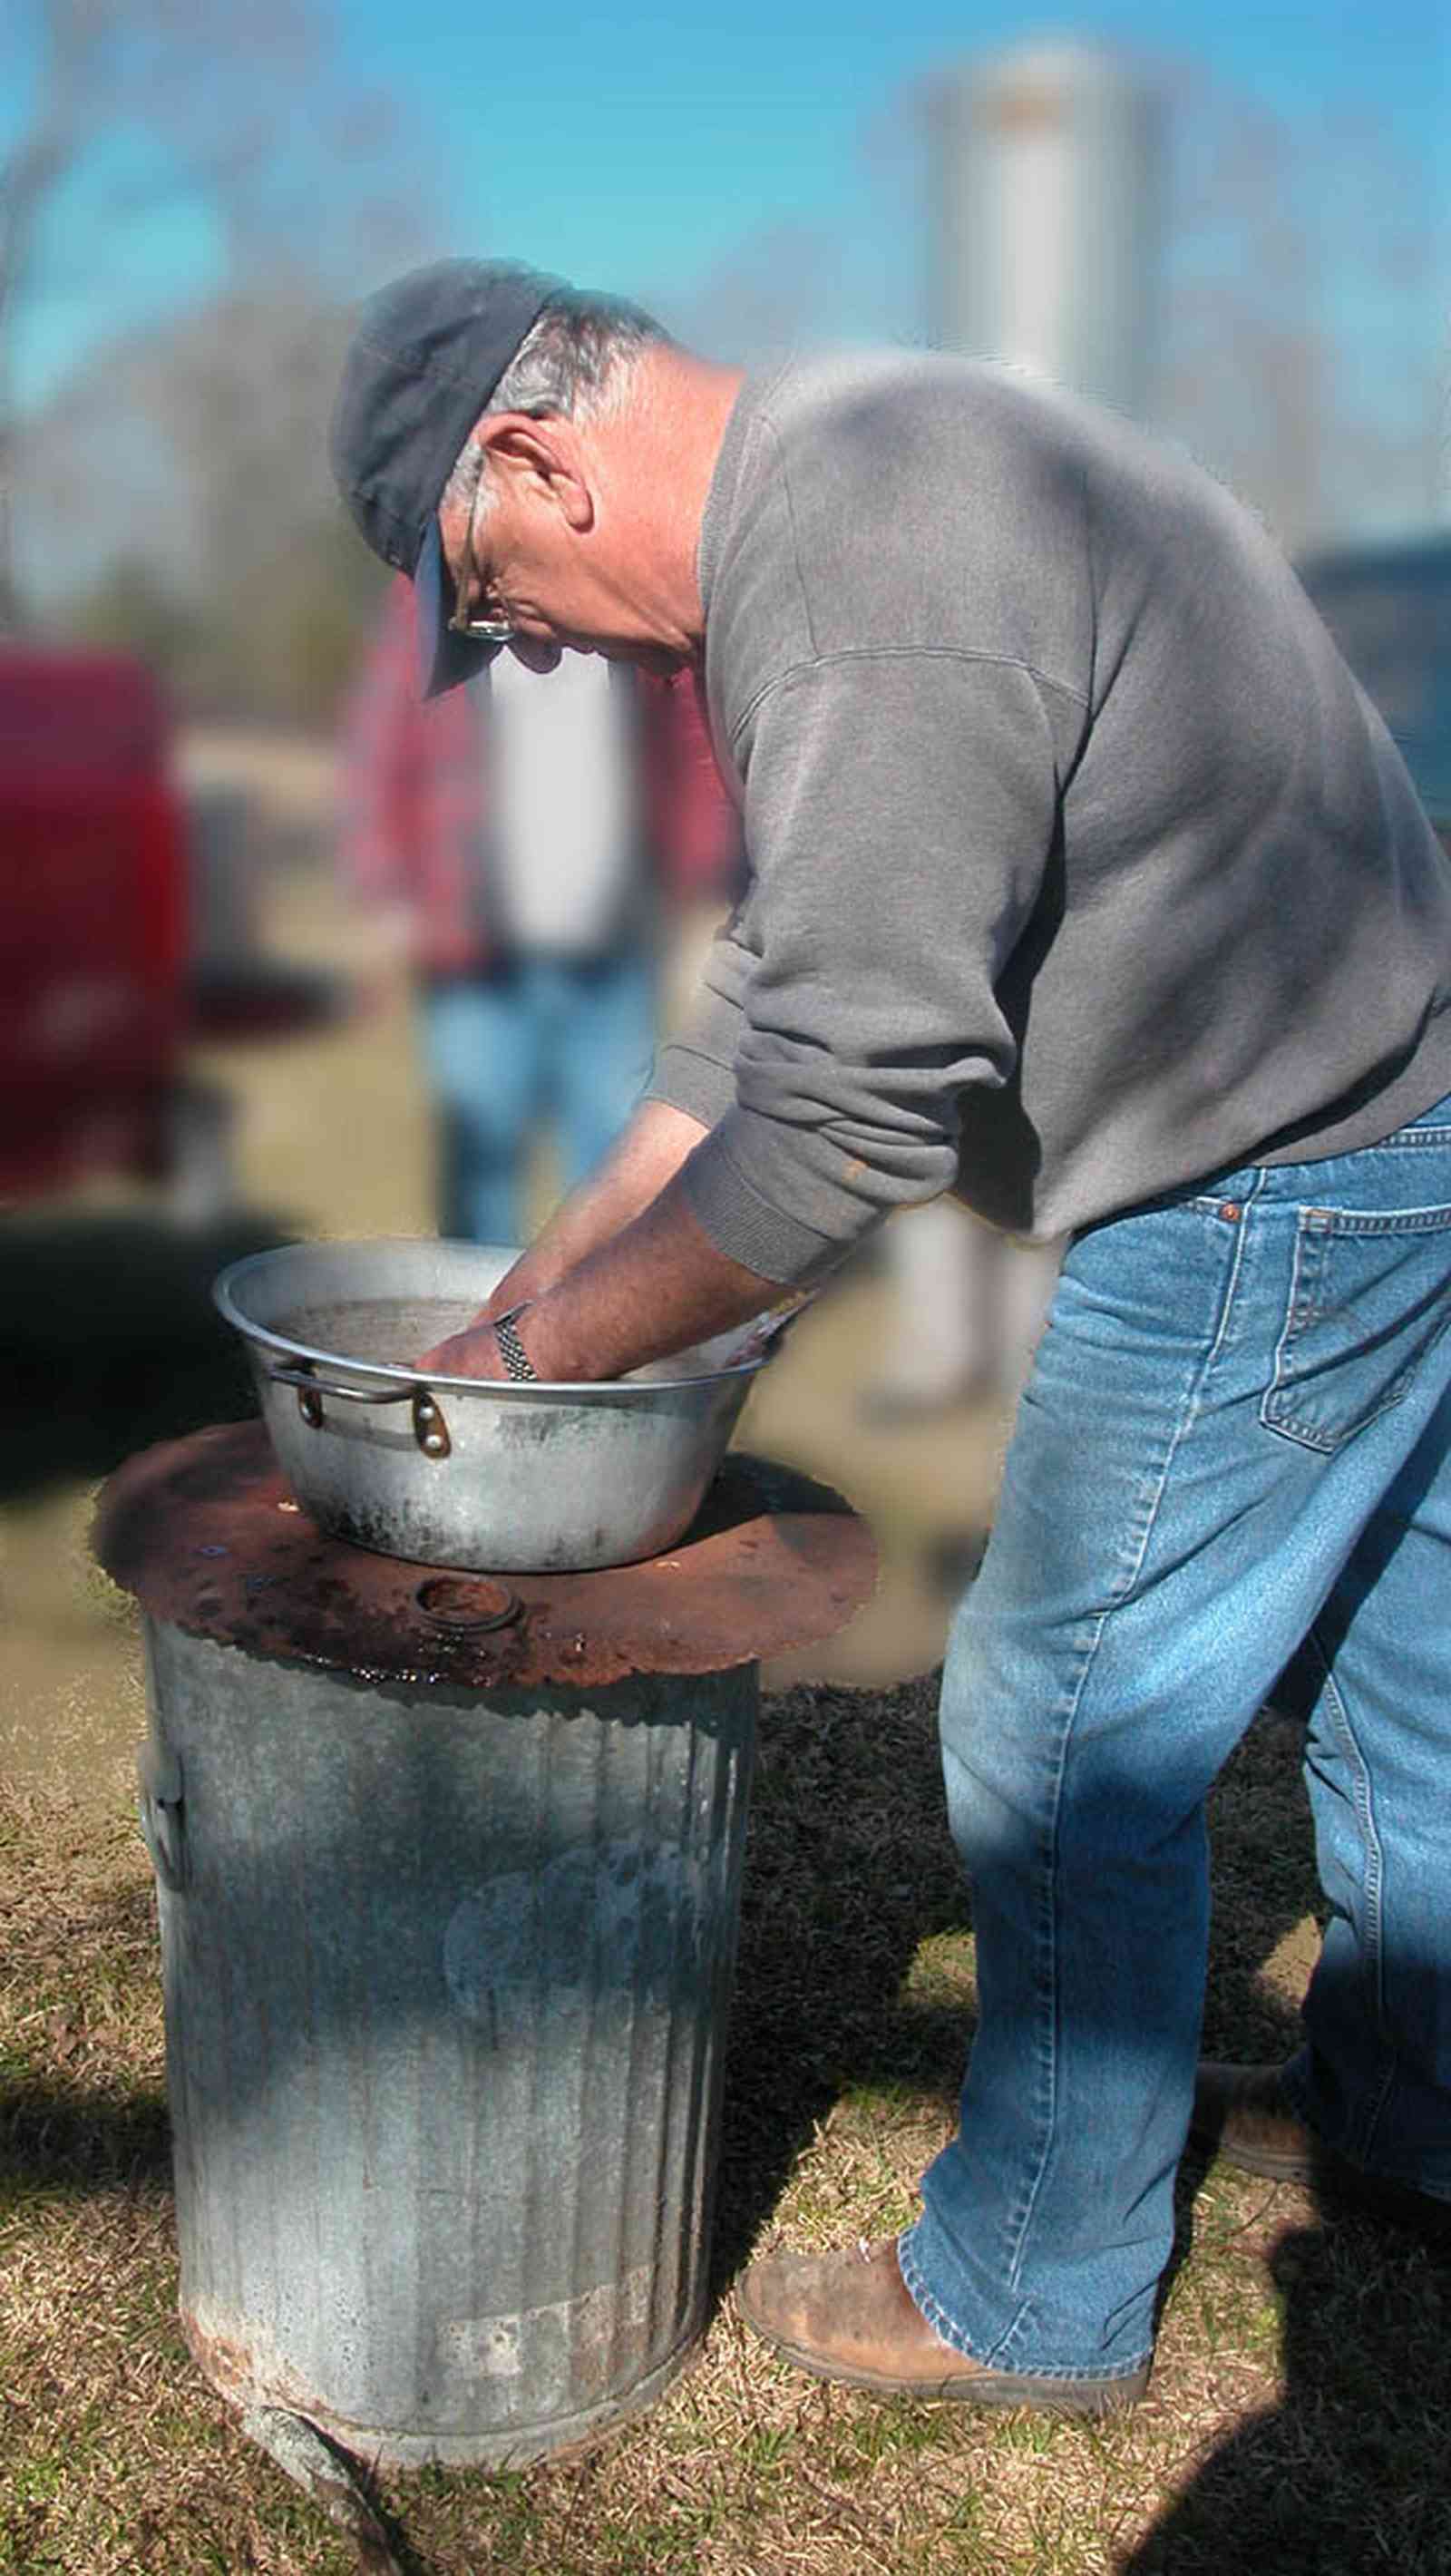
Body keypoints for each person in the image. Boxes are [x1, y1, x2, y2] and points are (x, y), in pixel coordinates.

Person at [329, 259, 1451, 2415]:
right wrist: (519, 1300)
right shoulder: (857, 463)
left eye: (492, 594)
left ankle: (1031, 2280)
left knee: (1059, 1717)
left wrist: (548, 1380)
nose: (529, 648)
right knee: (1411, 1659)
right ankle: (1412, 2109)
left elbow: (846, 1119)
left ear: (534, 458)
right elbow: (768, 1004)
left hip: (1271, 1159)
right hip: (1410, 1108)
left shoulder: (862, 572)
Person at [338, 571, 738, 1246]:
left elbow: (688, 739)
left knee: (617, 1183)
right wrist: (386, 887)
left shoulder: (623, 584)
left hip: (615, 956)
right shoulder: (431, 593)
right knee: (481, 1178)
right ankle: (483, 1316)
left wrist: (702, 891)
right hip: (474, 963)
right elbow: (379, 740)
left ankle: (599, 1317)